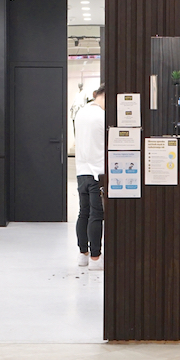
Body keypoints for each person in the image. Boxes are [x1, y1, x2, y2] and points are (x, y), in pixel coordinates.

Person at [74, 84, 106, 270]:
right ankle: (95, 257)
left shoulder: (81, 113)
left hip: (81, 169)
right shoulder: (102, 116)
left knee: (83, 212)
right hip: (97, 171)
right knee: (96, 214)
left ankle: (82, 255)